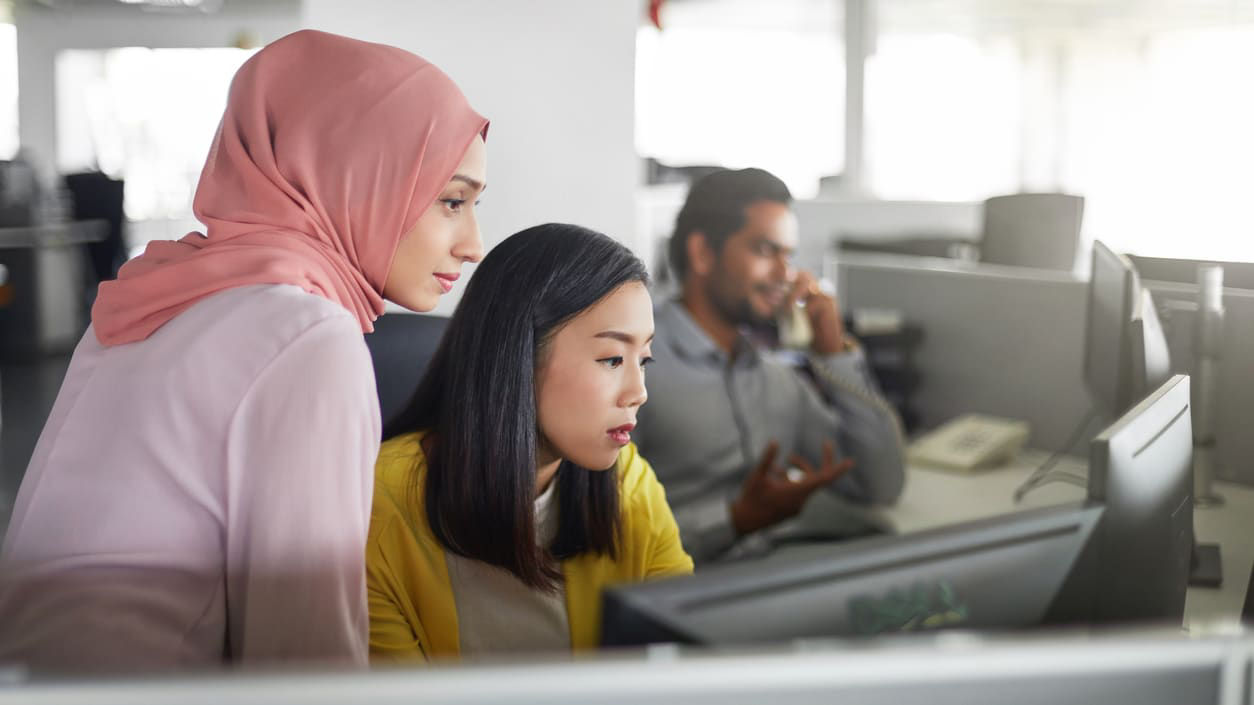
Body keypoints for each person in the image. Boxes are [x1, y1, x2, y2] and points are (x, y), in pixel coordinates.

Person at [0, 30, 488, 672]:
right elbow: (306, 660)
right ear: (356, 174)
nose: (473, 243)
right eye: (452, 201)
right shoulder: (308, 335)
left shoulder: (161, 292)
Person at [367, 223, 693, 662]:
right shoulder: (377, 506)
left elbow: (679, 667)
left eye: (644, 360)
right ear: (519, 356)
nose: (639, 391)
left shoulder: (630, 485)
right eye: (612, 359)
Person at [634, 168, 905, 564]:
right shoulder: (635, 369)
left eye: (788, 255)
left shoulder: (775, 379)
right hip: (676, 599)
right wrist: (735, 520)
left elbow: (878, 484)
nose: (786, 274)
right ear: (703, 253)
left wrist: (835, 353)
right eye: (764, 251)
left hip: (772, 582)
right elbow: (604, 537)